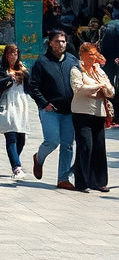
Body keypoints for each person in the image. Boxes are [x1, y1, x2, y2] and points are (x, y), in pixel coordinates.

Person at [28, 28, 79, 190]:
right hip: (49, 109)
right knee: (52, 141)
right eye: (57, 41)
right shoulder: (42, 62)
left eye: (63, 41)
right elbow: (33, 86)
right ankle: (39, 158)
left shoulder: (72, 60)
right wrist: (44, 103)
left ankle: (63, 178)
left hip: (69, 110)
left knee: (67, 144)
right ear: (50, 43)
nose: (61, 44)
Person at [70, 41, 114, 192]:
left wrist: (104, 88)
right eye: (90, 54)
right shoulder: (76, 70)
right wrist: (98, 87)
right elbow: (79, 89)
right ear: (82, 55)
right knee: (85, 146)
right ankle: (82, 182)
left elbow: (110, 90)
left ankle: (99, 181)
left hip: (98, 113)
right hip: (82, 113)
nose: (93, 58)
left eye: (95, 54)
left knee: (99, 147)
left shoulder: (99, 70)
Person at [0, 44, 30, 178]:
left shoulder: (22, 68)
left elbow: (30, 85)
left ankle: (15, 160)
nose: (13, 56)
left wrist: (24, 75)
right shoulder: (0, 68)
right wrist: (10, 78)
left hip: (20, 104)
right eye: (10, 53)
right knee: (11, 135)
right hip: (5, 104)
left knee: (21, 137)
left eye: (15, 53)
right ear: (6, 55)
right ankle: (16, 167)